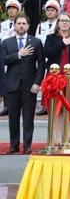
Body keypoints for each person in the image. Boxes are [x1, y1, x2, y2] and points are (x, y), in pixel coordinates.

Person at [1, 14, 45, 154]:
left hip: (29, 86)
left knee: (28, 117)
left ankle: (27, 145)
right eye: (18, 23)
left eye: (24, 23)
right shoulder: (6, 42)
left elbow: (41, 65)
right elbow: (3, 60)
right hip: (12, 85)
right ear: (14, 26)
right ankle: (14, 145)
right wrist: (19, 54)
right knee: (13, 118)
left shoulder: (36, 42)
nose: (21, 26)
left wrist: (37, 83)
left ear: (28, 26)